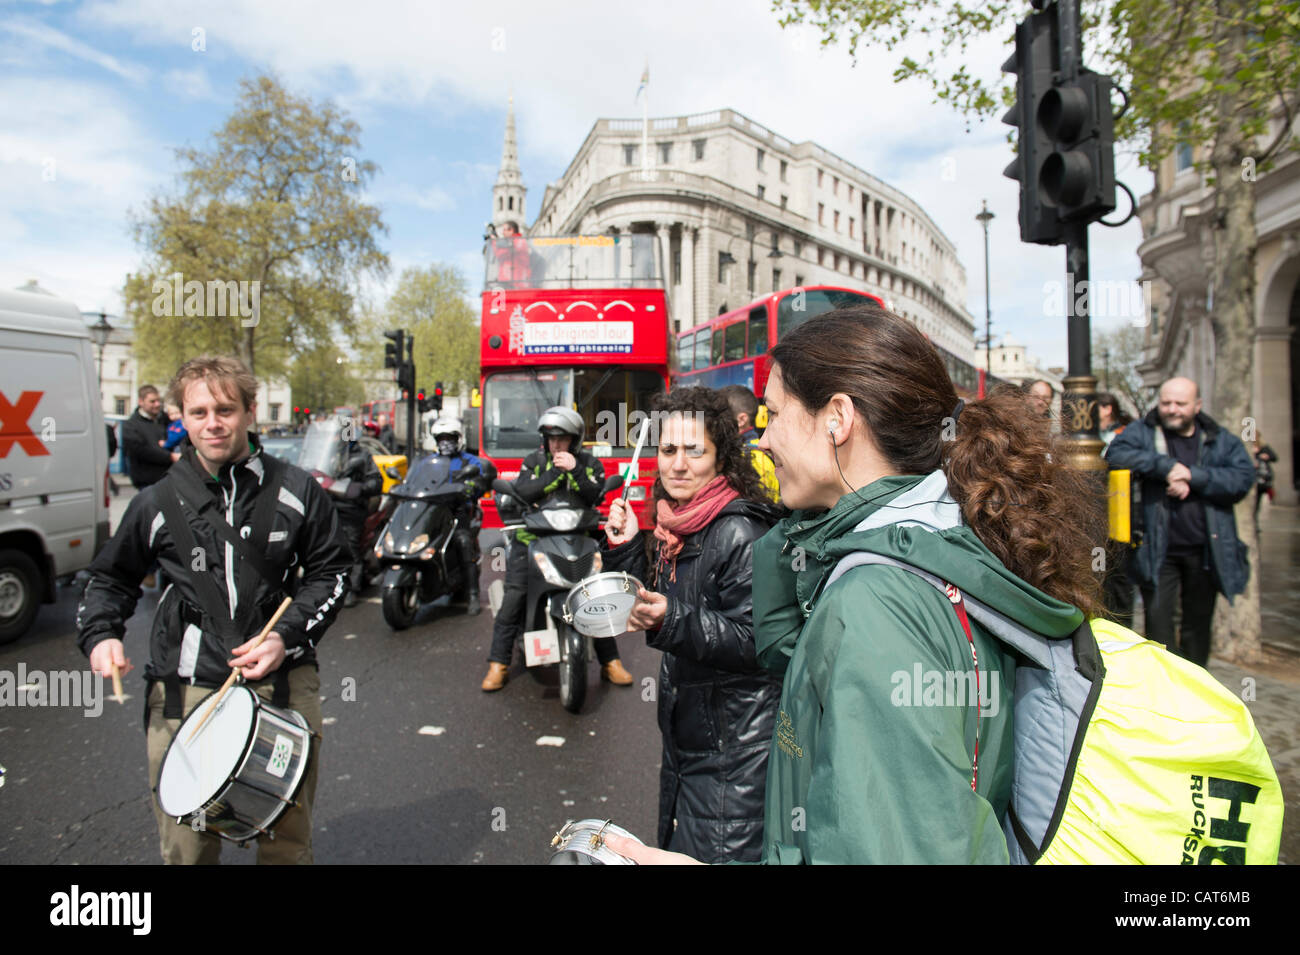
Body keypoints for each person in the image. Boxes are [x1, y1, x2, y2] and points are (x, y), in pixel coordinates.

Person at [606, 302, 1103, 864]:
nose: (762, 442)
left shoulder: (876, 602)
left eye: (773, 414)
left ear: (837, 419)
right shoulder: (931, 546)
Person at [76, 355, 352, 864]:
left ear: (250, 411)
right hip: (185, 692)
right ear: (181, 417)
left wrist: (285, 636)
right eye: (198, 412)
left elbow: (331, 574)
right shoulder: (155, 501)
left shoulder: (296, 489)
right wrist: (102, 635)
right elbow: (108, 579)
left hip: (283, 686)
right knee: (188, 846)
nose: (212, 423)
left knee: (286, 845)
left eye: (225, 409)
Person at [602, 387, 781, 863]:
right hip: (691, 743)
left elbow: (758, 643)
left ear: (721, 456)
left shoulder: (738, 532)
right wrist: (624, 548)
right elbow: (653, 600)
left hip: (736, 756)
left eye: (694, 451)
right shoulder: (675, 526)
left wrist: (672, 619)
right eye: (668, 450)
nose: (678, 464)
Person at [1106, 377, 1254, 667]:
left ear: (1197, 406)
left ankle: (1196, 693)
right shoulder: (1143, 433)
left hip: (1206, 552)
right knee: (1159, 633)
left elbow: (1241, 479)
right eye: (1166, 402)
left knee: (1197, 630)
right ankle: (1165, 696)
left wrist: (1193, 477)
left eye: (1180, 403)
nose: (1172, 409)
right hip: (1157, 552)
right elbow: (1116, 454)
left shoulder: (1219, 439)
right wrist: (1167, 467)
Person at [482, 406, 632, 691]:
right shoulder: (534, 461)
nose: (556, 445)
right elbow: (524, 491)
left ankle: (610, 661)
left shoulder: (589, 463)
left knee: (596, 598)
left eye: (562, 439)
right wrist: (553, 473)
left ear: (575, 440)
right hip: (532, 540)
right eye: (551, 439)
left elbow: (594, 493)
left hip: (580, 538)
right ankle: (498, 663)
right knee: (515, 595)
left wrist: (574, 470)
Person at [406, 416, 495, 614]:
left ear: (458, 438)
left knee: (463, 542)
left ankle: (472, 595)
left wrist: (474, 486)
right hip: (429, 511)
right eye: (441, 438)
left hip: (457, 512)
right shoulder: (426, 461)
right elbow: (413, 481)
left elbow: (482, 478)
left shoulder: (469, 461)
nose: (446, 442)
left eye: (450, 437)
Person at [335, 427, 384, 609]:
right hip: (328, 504)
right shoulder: (331, 456)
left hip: (351, 507)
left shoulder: (363, 457)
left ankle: (352, 589)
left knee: (350, 544)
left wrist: (360, 488)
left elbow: (376, 481)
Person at [717, 384, 779, 503]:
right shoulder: (754, 449)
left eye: (722, 416)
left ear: (741, 420)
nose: (717, 421)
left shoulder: (753, 457)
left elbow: (761, 505)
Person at [122, 384, 179, 489]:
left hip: (170, 479)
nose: (157, 404)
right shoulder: (131, 425)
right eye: (152, 401)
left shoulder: (167, 420)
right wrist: (170, 457)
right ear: (141, 402)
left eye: (159, 401)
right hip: (147, 482)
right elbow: (140, 450)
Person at [492, 220, 532, 287]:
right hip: (508, 280)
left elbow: (501, 254)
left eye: (505, 230)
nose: (503, 232)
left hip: (516, 281)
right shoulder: (511, 242)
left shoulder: (519, 241)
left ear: (511, 230)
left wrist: (494, 241)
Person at [1253, 437, 1277, 522]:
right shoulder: (1247, 447)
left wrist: (1266, 456)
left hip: (1262, 479)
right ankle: (1254, 521)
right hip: (1252, 477)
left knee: (1257, 501)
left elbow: (1274, 457)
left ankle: (1255, 521)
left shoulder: (1263, 448)